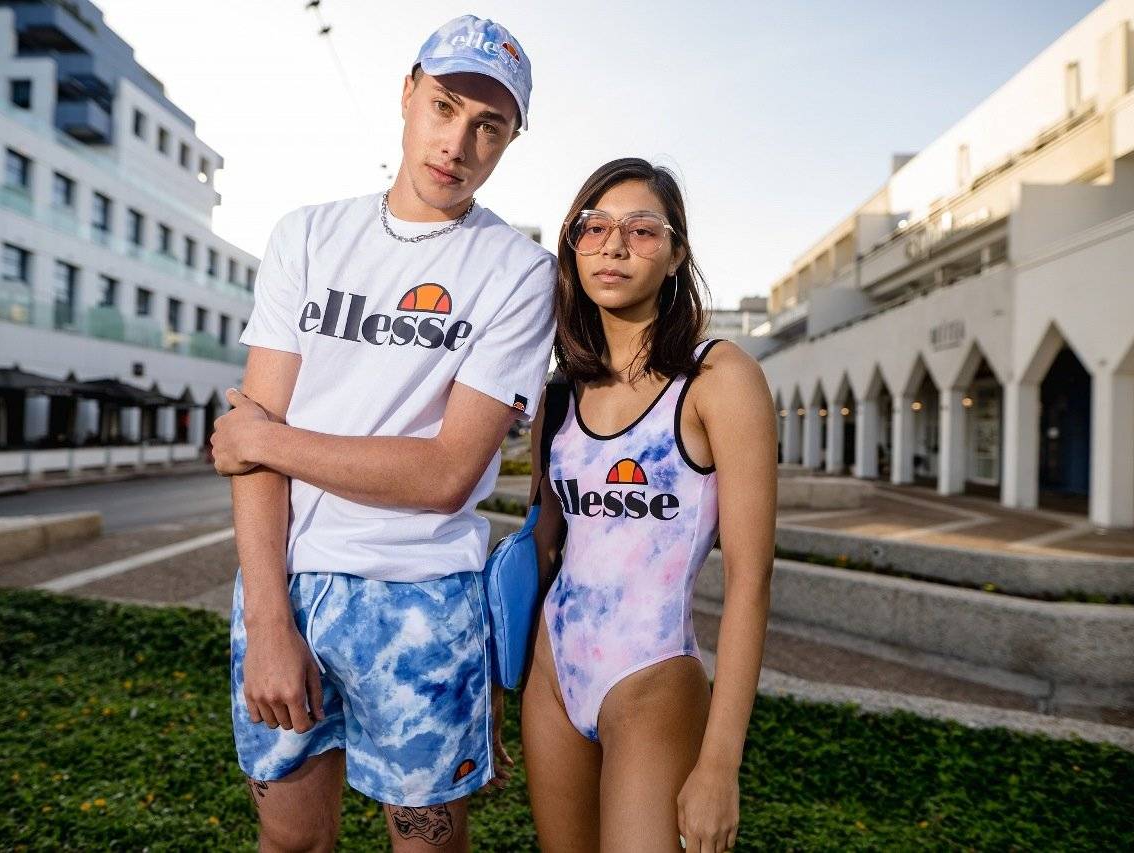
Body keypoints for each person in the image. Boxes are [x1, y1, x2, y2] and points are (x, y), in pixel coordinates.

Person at [207, 16, 555, 852]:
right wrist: (270, 620)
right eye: (444, 107)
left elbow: (445, 473)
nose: (457, 144)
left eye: (489, 126)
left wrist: (265, 439)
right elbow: (252, 459)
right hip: (287, 585)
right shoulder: (307, 235)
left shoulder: (518, 271)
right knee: (291, 842)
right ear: (407, 94)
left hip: (423, 600)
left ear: (512, 139)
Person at [521, 158, 776, 853]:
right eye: (594, 227)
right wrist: (497, 692)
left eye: (641, 230)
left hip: (652, 676)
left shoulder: (718, 378)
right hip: (551, 674)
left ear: (676, 254)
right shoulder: (559, 393)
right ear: (574, 246)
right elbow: (542, 549)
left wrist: (719, 765)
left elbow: (751, 579)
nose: (614, 245)